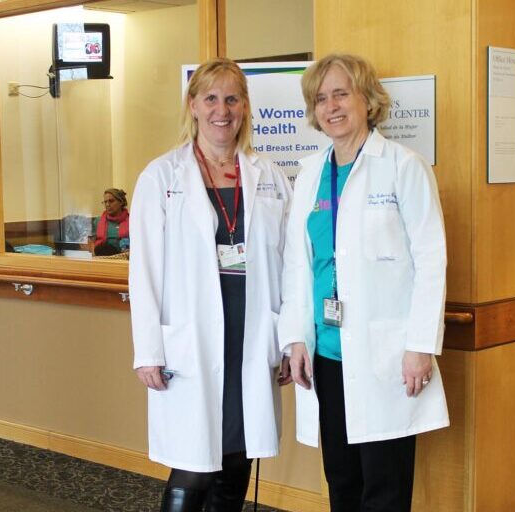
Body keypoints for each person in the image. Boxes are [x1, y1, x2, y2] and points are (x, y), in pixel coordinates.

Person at [278, 53, 449, 512]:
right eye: (320, 99)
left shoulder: (403, 166)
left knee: (385, 488)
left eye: (340, 93)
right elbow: (298, 264)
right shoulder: (311, 172)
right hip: (327, 355)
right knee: (343, 482)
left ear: (366, 100)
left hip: (387, 356)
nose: (331, 106)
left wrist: (420, 345)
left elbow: (432, 260)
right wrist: (294, 338)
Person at [129, 57, 293, 512]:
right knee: (194, 462)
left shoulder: (270, 177)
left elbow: (290, 263)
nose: (223, 110)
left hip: (250, 334)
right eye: (212, 98)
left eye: (232, 98)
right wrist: (149, 351)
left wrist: (286, 340)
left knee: (236, 456)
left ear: (245, 107)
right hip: (192, 341)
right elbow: (143, 272)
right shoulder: (162, 177)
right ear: (194, 106)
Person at [92, 188, 129, 256]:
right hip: (102, 259)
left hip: (124, 259)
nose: (107, 204)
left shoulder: (131, 221)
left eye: (111, 201)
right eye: (105, 202)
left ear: (121, 202)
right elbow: (90, 244)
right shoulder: (98, 221)